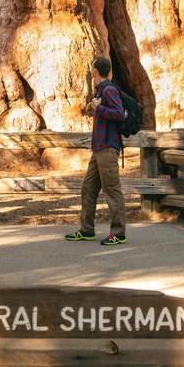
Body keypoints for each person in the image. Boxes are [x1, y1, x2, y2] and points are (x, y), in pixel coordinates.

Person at [65, 57, 127, 245]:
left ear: (94, 72)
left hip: (108, 148)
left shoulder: (108, 90)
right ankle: (86, 230)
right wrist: (93, 108)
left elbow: (119, 114)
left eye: (92, 70)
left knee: (112, 190)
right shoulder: (101, 92)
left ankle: (118, 233)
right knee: (88, 188)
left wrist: (98, 107)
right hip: (99, 148)